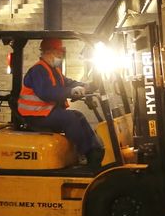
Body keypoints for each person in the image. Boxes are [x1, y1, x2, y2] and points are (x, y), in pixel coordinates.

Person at [17, 37, 106, 170]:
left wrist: (87, 86)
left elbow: (68, 83)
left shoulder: (53, 70)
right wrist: (71, 92)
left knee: (78, 115)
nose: (60, 56)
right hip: (35, 116)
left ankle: (95, 151)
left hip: (46, 113)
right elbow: (47, 93)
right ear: (49, 52)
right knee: (69, 119)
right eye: (58, 53)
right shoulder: (38, 70)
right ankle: (87, 154)